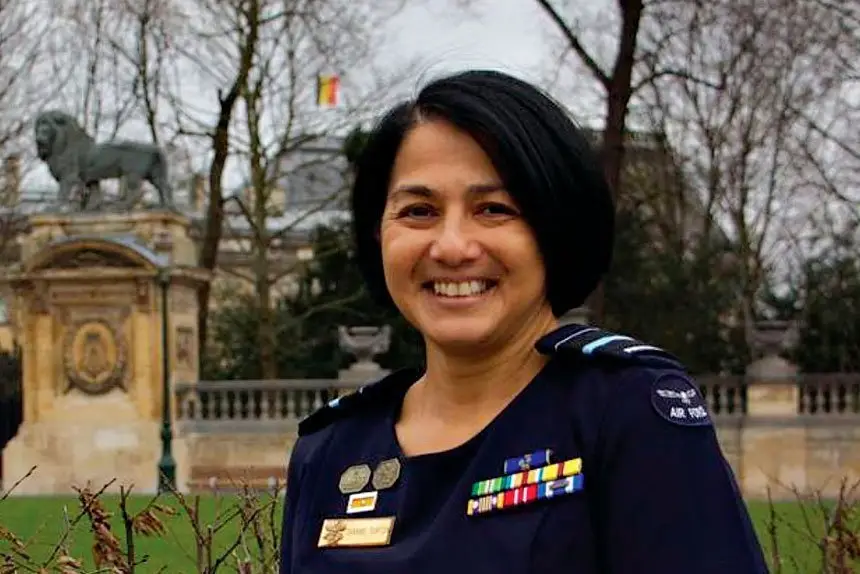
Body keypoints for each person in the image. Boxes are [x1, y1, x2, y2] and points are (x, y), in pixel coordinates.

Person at [278, 69, 768, 573]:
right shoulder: (330, 450)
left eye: (493, 209)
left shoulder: (623, 412)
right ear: (378, 235)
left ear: (554, 229)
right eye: (419, 211)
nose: (451, 247)